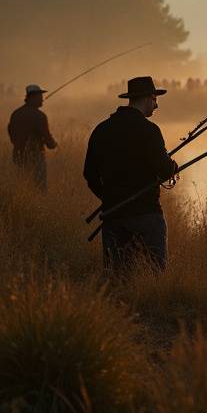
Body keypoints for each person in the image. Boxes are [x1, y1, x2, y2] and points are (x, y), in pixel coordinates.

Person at [84, 76, 177, 276]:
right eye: (155, 99)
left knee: (116, 277)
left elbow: (89, 174)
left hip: (113, 216)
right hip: (147, 215)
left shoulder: (102, 130)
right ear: (147, 99)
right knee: (153, 276)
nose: (157, 105)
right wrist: (173, 166)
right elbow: (164, 170)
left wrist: (109, 197)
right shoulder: (150, 130)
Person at [8, 84, 57, 189]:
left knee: (21, 187)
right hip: (35, 156)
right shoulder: (40, 116)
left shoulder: (15, 114)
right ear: (33, 97)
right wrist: (53, 143)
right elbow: (49, 142)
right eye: (40, 96)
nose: (42, 99)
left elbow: (11, 135)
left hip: (17, 155)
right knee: (39, 188)